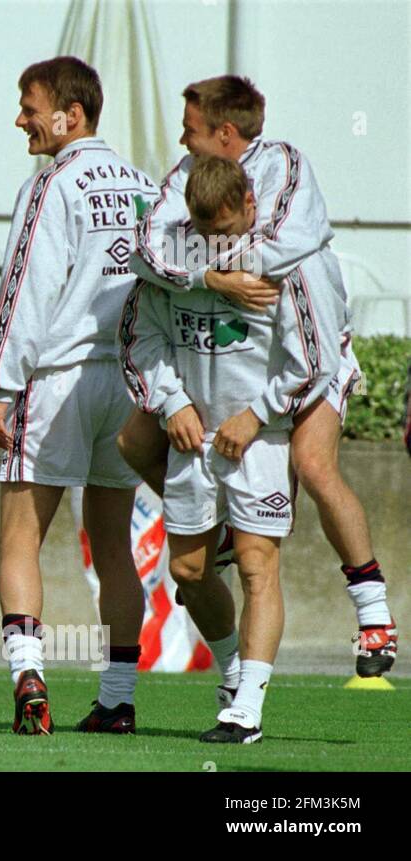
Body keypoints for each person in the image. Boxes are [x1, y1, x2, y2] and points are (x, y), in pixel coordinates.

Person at [123, 75, 397, 678]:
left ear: (226, 134)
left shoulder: (286, 167)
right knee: (135, 441)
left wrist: (194, 258)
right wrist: (210, 278)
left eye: (191, 128)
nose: (181, 138)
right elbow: (144, 248)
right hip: (238, 352)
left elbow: (283, 246)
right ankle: (218, 535)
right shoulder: (187, 177)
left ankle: (372, 608)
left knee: (315, 463)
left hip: (313, 344)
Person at [120, 155, 341, 742]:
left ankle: (246, 709)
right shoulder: (173, 265)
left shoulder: (280, 264)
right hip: (194, 439)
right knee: (189, 571)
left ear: (250, 202)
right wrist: (172, 404)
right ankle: (233, 673)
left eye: (227, 227)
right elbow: (142, 341)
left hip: (258, 440)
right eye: (206, 232)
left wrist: (259, 414)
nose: (219, 242)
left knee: (256, 565)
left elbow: (314, 361)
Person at [0, 56, 157, 735]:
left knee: (20, 537)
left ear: (70, 115)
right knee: (112, 542)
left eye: (29, 106)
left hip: (58, 381)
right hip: (127, 381)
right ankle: (117, 697)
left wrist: (0, 379)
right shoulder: (145, 186)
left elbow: (27, 288)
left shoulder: (51, 183)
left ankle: (29, 672)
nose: (20, 118)